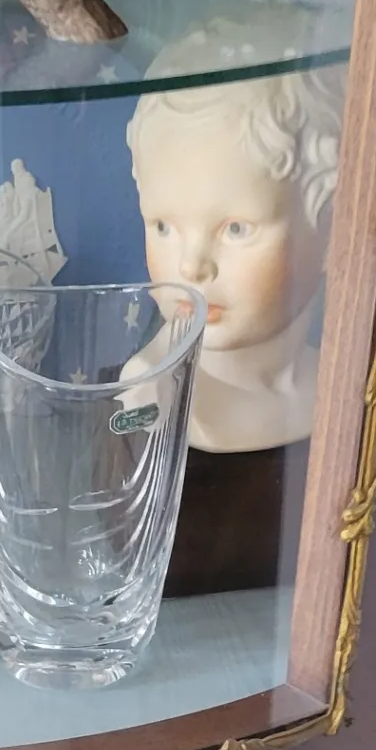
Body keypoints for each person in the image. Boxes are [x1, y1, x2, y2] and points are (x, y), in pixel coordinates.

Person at [122, 33, 347, 454]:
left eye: (236, 230)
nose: (191, 266)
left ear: (331, 228)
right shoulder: (156, 395)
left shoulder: (347, 385)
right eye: (164, 226)